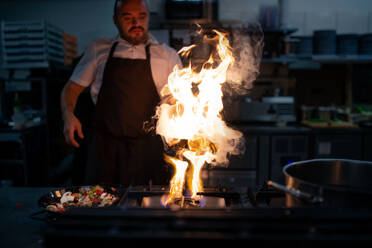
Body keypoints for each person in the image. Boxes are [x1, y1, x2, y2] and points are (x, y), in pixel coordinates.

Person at [61, 0, 182, 186]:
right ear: (115, 20)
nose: (136, 23)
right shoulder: (98, 49)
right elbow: (71, 88)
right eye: (128, 18)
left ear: (148, 17)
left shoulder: (167, 56)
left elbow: (177, 101)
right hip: (105, 150)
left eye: (142, 17)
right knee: (100, 206)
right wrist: (69, 116)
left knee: (146, 208)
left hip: (148, 152)